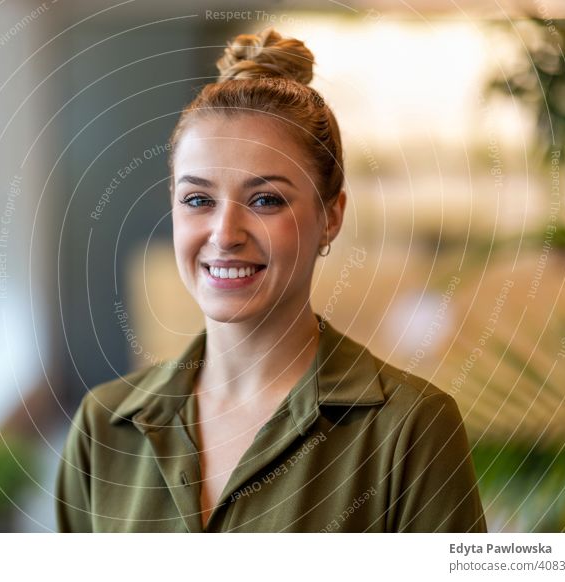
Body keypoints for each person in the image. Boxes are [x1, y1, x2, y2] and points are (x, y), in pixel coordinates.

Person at [56, 27, 487, 533]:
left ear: (331, 216)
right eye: (198, 200)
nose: (225, 234)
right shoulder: (101, 427)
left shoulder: (411, 430)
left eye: (266, 200)